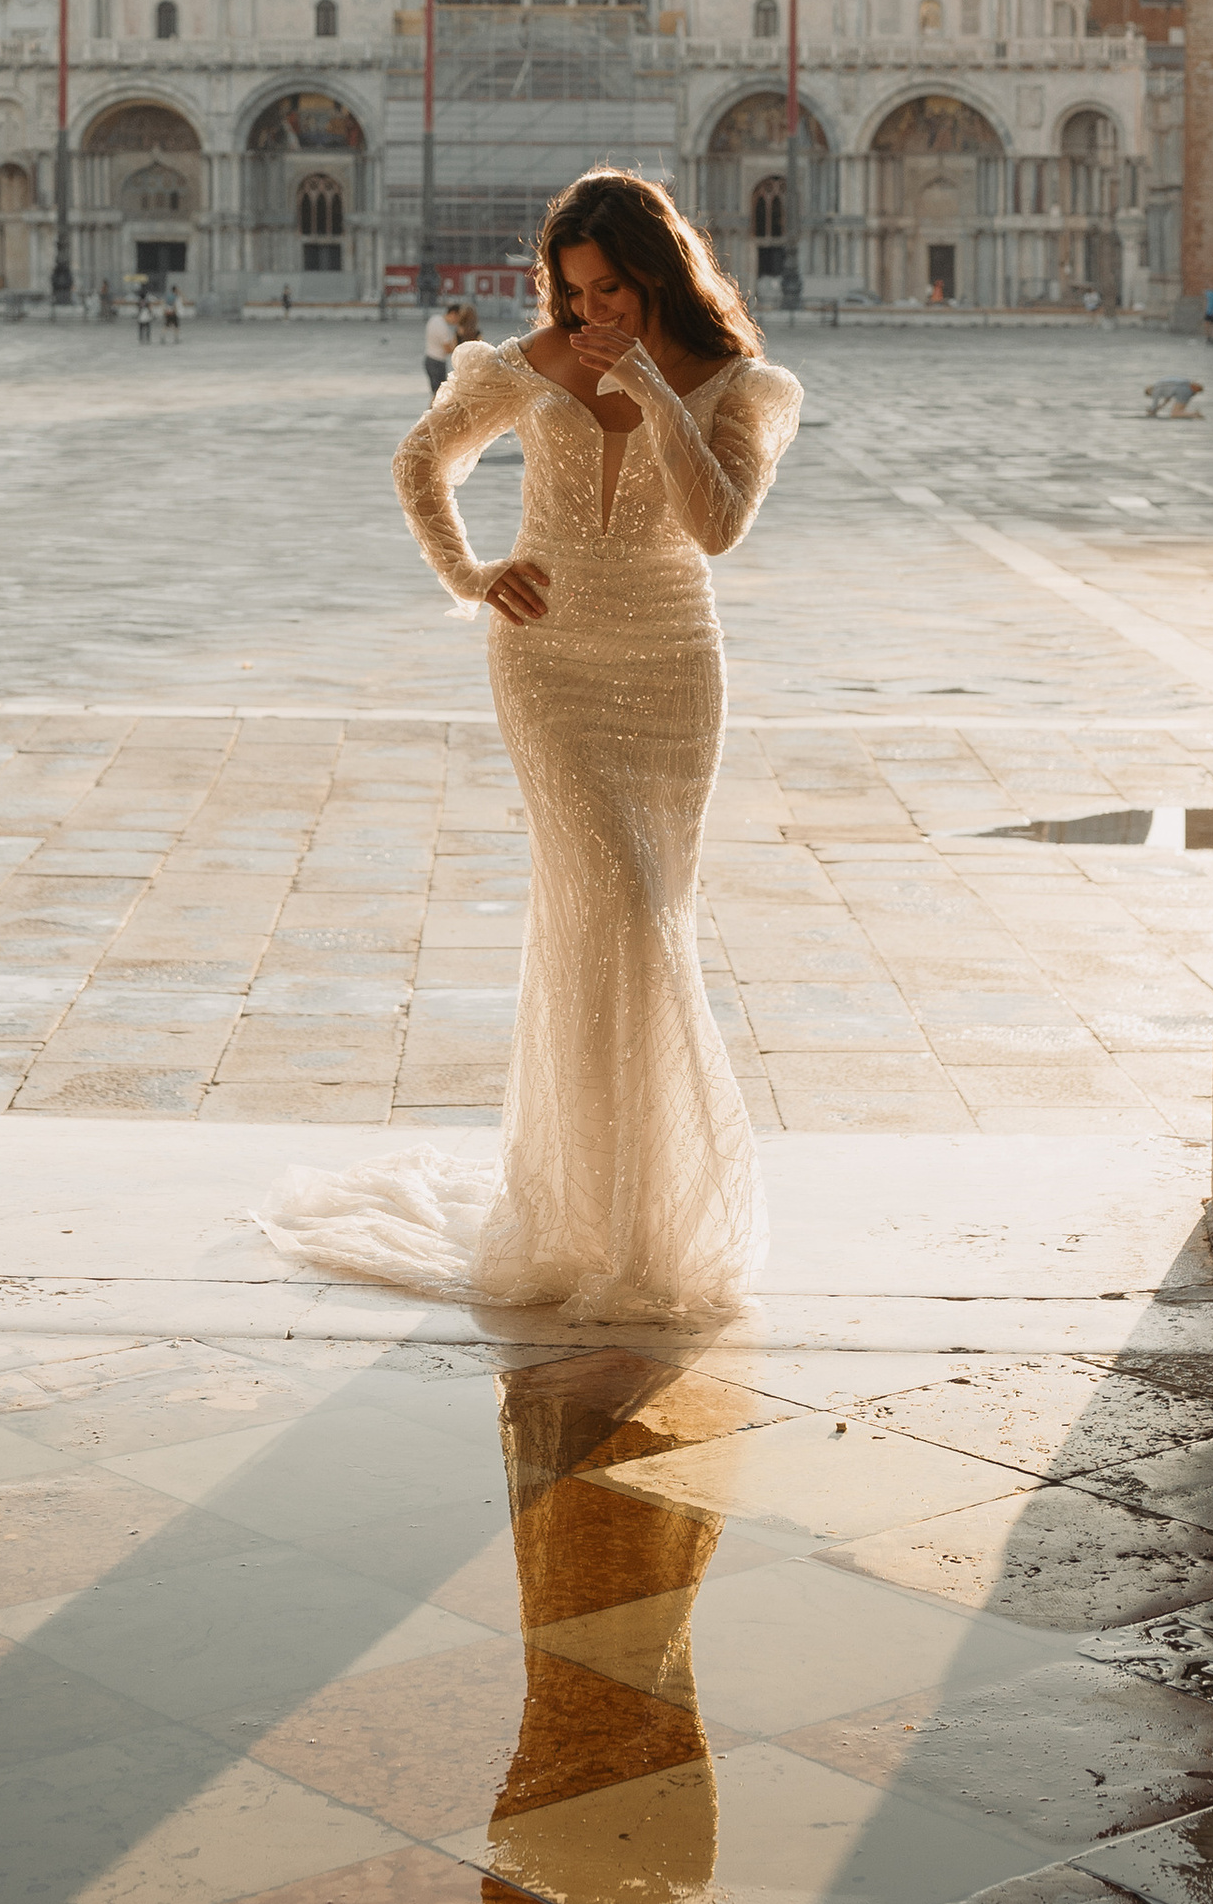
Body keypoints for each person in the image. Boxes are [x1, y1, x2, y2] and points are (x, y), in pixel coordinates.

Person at [256, 168, 803, 1323]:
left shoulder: (742, 385)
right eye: (571, 291)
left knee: (647, 913)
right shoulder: (522, 364)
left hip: (669, 665)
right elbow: (419, 461)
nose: (590, 313)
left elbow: (716, 527)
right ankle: (576, 1215)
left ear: (658, 273)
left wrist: (655, 388)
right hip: (546, 661)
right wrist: (468, 573)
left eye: (610, 289)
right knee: (603, 896)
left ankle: (647, 1219)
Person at [423, 292, 456, 399]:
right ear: (453, 314)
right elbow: (447, 349)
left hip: (429, 358)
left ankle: (431, 414)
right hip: (437, 362)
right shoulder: (444, 328)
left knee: (437, 394)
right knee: (439, 395)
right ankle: (431, 415)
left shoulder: (434, 319)